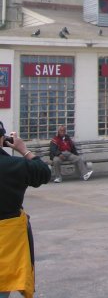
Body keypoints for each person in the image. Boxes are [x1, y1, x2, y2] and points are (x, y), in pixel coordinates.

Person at [0, 121, 51, 298]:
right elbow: (44, 173)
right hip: (8, 238)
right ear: (3, 139)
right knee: (3, 282)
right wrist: (24, 150)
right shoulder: (15, 165)